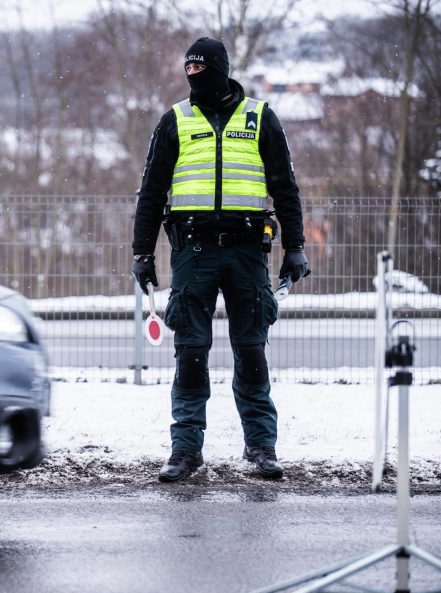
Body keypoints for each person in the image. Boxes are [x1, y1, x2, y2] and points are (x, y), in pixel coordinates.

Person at [131, 37, 310, 482]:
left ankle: (261, 447)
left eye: (201, 69)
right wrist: (141, 251)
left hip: (248, 250)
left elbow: (285, 186)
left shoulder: (260, 117)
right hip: (193, 251)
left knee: (251, 350)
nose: (194, 77)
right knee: (191, 353)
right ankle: (185, 451)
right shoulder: (174, 120)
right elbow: (151, 192)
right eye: (187, 70)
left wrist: (296, 246)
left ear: (220, 69)